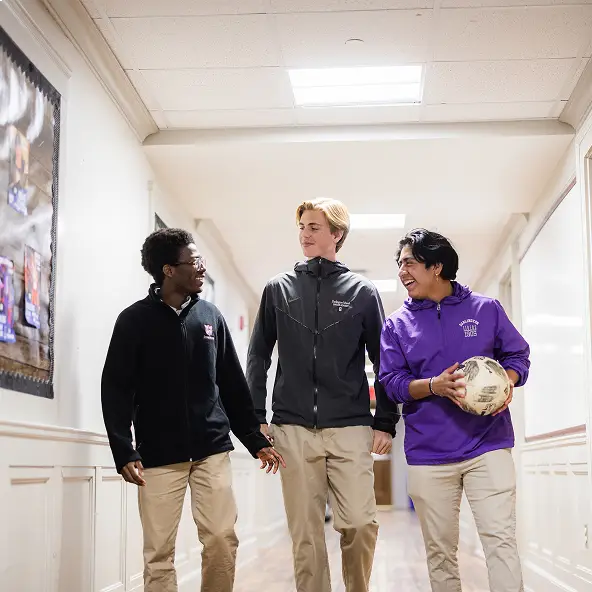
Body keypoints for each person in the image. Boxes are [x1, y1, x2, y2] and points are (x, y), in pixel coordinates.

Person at [101, 228, 284, 592]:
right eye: (194, 261)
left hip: (211, 449)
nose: (201, 268)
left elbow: (231, 384)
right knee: (158, 553)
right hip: (157, 456)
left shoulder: (210, 316)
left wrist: (253, 438)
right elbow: (115, 389)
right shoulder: (133, 321)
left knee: (220, 538)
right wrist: (124, 448)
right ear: (169, 270)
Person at [247, 198, 400, 592]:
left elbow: (382, 360)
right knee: (306, 535)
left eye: (314, 227)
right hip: (293, 427)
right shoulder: (278, 289)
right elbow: (259, 354)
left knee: (361, 524)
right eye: (302, 227)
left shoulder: (363, 292)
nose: (305, 234)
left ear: (337, 234)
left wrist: (385, 421)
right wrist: (255, 416)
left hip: (349, 425)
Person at [379, 228, 530, 592]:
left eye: (409, 263)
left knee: (501, 543)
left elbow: (518, 356)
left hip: (488, 446)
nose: (402, 272)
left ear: (437, 266)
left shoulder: (486, 309)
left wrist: (503, 383)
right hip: (429, 455)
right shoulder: (396, 325)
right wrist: (434, 385)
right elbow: (391, 382)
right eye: (399, 265)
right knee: (440, 553)